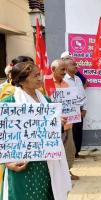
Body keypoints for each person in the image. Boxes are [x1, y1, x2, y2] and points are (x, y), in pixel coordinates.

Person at [0, 61, 71, 200]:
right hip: (22, 165)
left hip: (46, 165)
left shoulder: (46, 102)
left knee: (46, 194)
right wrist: (7, 163)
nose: (40, 78)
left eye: (40, 74)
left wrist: (58, 124)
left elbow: (51, 133)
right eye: (35, 76)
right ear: (22, 80)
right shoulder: (9, 104)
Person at [51, 59, 79, 180]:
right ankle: (57, 174)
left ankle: (67, 171)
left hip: (68, 124)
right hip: (56, 126)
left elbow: (71, 103)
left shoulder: (66, 84)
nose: (64, 72)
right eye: (62, 69)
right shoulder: (47, 85)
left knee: (69, 150)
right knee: (56, 151)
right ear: (53, 70)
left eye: (65, 69)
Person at [63, 57, 88, 158]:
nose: (76, 66)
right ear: (67, 67)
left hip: (79, 110)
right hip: (69, 111)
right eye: (73, 64)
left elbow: (83, 94)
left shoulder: (77, 79)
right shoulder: (64, 79)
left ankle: (76, 152)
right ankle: (70, 153)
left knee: (78, 132)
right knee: (70, 133)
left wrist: (84, 108)